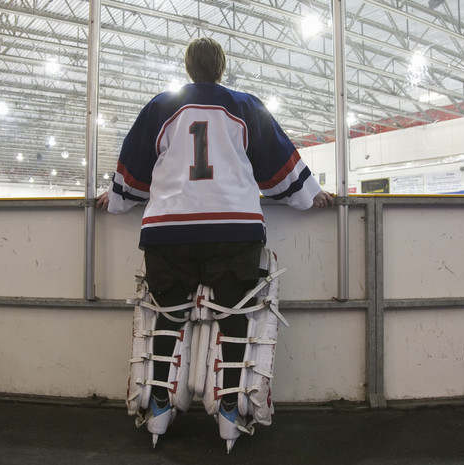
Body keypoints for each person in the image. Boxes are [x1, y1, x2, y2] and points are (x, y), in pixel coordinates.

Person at [96, 36, 332, 447]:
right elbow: (278, 170)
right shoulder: (244, 105)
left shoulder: (160, 107)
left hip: (167, 234)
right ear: (221, 68)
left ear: (188, 68)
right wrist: (312, 196)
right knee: (234, 317)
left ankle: (158, 410)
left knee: (167, 316)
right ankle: (228, 413)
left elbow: (132, 173)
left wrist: (114, 200)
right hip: (233, 231)